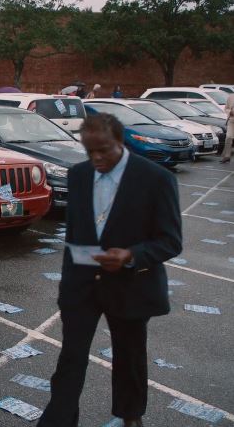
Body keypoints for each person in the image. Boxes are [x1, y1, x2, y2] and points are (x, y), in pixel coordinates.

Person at [39, 113, 182, 427]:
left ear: (121, 141)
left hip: (130, 285)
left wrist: (131, 255)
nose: (97, 158)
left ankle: (130, 416)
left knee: (129, 356)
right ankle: (58, 421)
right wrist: (66, 291)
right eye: (90, 151)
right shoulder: (78, 175)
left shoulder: (156, 179)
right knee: (71, 359)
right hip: (82, 287)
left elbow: (171, 241)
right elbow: (75, 236)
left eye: (104, 150)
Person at [221, 91, 234, 164]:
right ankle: (227, 156)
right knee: (228, 137)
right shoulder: (231, 97)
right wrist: (230, 112)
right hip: (231, 120)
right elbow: (226, 108)